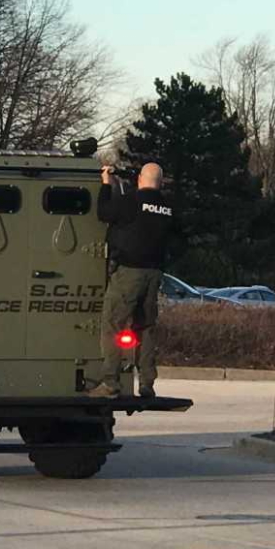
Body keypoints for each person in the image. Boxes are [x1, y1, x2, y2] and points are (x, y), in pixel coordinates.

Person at [88, 162, 175, 399]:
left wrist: (107, 184)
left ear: (140, 179)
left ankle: (110, 383)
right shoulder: (167, 207)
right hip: (154, 273)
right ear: (161, 182)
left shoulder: (131, 203)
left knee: (112, 325)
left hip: (129, 272)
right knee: (145, 326)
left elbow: (104, 212)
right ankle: (147, 384)